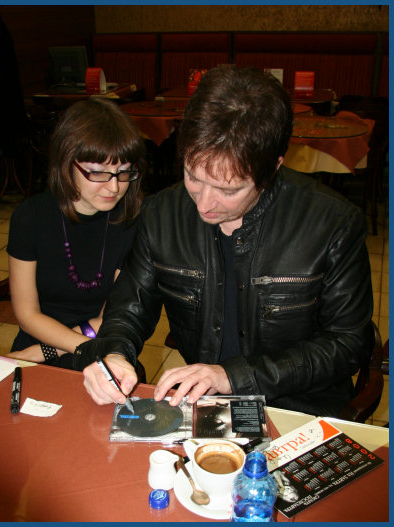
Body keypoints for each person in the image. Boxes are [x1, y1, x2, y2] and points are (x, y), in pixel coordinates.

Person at [76, 65, 373, 417]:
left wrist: (232, 376)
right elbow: (129, 308)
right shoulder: (161, 214)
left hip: (299, 409)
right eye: (193, 177)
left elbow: (347, 344)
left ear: (274, 167)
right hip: (207, 407)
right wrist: (113, 354)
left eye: (228, 190)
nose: (203, 204)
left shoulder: (333, 222)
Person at [6, 97, 146, 374]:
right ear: (67, 163)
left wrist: (43, 353)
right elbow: (27, 314)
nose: (114, 187)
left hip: (100, 341)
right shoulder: (31, 217)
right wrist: (47, 349)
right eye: (98, 173)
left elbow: (110, 317)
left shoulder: (132, 222)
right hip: (40, 335)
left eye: (123, 171)